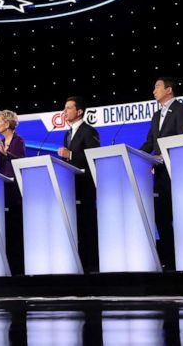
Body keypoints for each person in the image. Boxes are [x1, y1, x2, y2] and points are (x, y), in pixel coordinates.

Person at [139, 77, 183, 269]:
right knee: (162, 216)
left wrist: (166, 156)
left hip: (177, 172)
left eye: (157, 87)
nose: (154, 90)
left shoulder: (181, 110)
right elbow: (149, 142)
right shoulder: (156, 116)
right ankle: (169, 259)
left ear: (169, 90)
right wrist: (135, 156)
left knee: (178, 215)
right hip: (161, 175)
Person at [56, 96, 101, 272]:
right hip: (71, 186)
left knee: (87, 224)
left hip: (85, 186)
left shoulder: (89, 131)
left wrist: (71, 155)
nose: (65, 111)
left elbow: (93, 155)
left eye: (68, 108)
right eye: (64, 108)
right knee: (76, 225)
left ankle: (91, 264)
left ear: (79, 111)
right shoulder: (67, 134)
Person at [0, 109, 26, 274]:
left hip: (15, 191)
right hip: (3, 191)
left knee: (16, 228)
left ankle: (18, 267)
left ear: (7, 124)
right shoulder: (0, 142)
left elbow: (20, 161)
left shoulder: (18, 141)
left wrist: (5, 153)